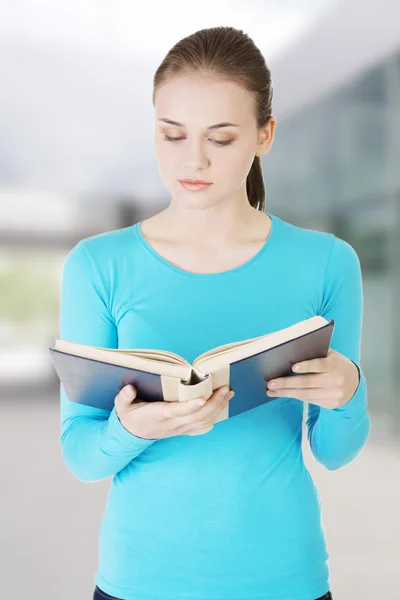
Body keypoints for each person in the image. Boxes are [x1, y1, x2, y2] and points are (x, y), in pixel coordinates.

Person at [59, 26, 371, 600]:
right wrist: (129, 429)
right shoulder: (97, 266)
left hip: (286, 581)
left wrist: (349, 388)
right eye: (171, 134)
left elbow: (334, 452)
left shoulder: (327, 262)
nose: (192, 159)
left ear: (264, 135)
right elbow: (81, 454)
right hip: (139, 582)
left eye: (221, 138)